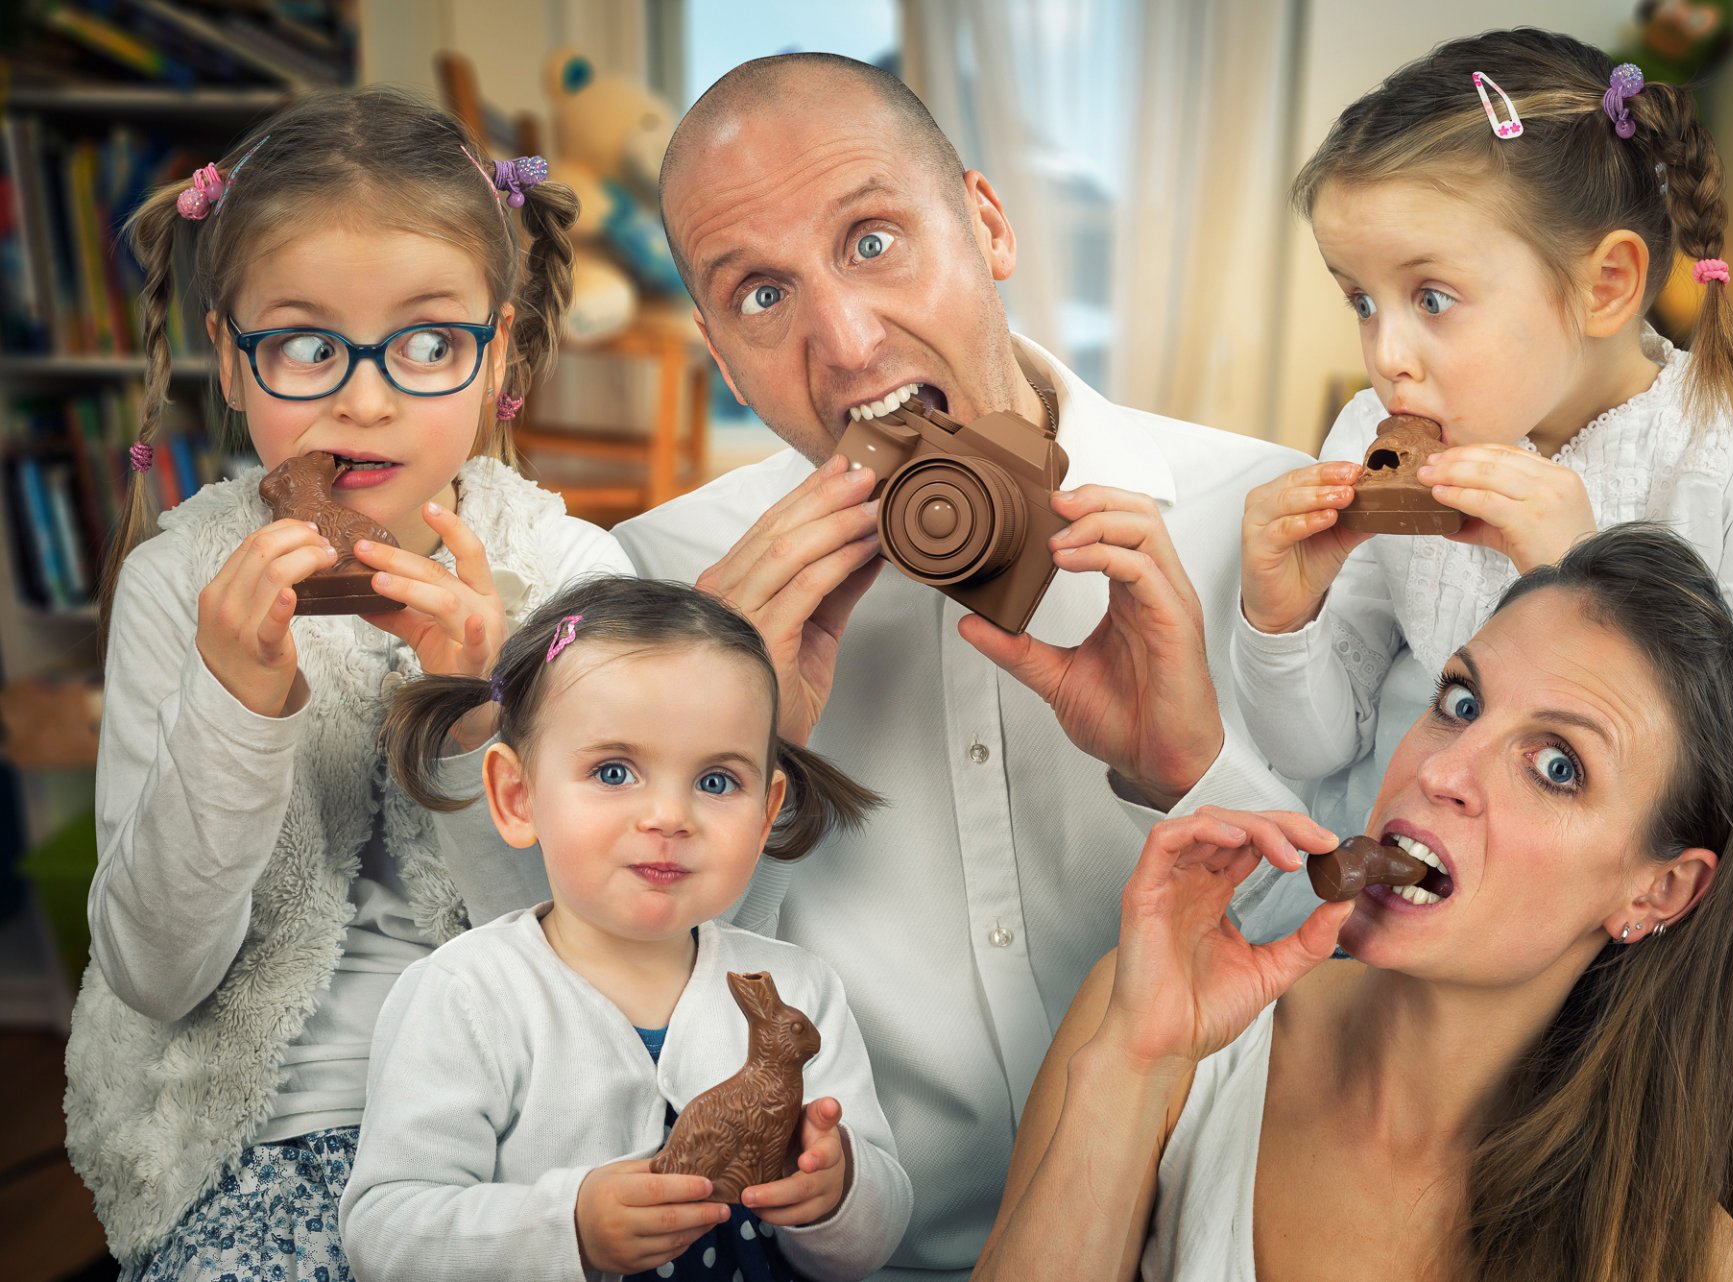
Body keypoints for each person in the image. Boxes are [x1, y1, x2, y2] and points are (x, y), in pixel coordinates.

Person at [437, 52, 1314, 1279]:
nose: (846, 344)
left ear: (990, 225)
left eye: (873, 242)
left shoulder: (1268, 520)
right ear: (719, 352)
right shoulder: (658, 583)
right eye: (760, 297)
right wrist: (719, 744)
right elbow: (571, 1015)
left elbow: (1385, 972)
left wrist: (1191, 767)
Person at [65, 86, 631, 1279]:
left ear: (499, 354)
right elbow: (154, 971)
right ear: (228, 357)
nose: (363, 398)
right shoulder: (182, 587)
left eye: (428, 343)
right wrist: (233, 706)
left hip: (526, 1128)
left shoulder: (574, 581)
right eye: (306, 343)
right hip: (264, 1136)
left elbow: (611, 940)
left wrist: (471, 719)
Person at [1230, 28, 1733, 971]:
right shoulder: (1368, 434)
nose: (1387, 357)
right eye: (1361, 301)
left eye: (1433, 297)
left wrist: (1595, 586)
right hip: (1406, 934)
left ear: (1606, 285)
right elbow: (1318, 747)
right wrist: (1282, 619)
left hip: (1624, 978)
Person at [978, 522, 1733, 1282]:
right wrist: (1137, 1064)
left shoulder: (1681, 1256)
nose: (1443, 772)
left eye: (1558, 767)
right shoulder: (1157, 1023)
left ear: (1659, 890)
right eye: (1461, 703)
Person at [342, 577, 911, 1282]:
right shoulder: (464, 995)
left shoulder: (798, 989)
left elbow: (876, 1235)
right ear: (516, 797)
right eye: (614, 771)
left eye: (715, 782)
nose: (669, 816)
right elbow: (385, 1235)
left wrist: (839, 1190)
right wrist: (567, 1226)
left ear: (766, 815)